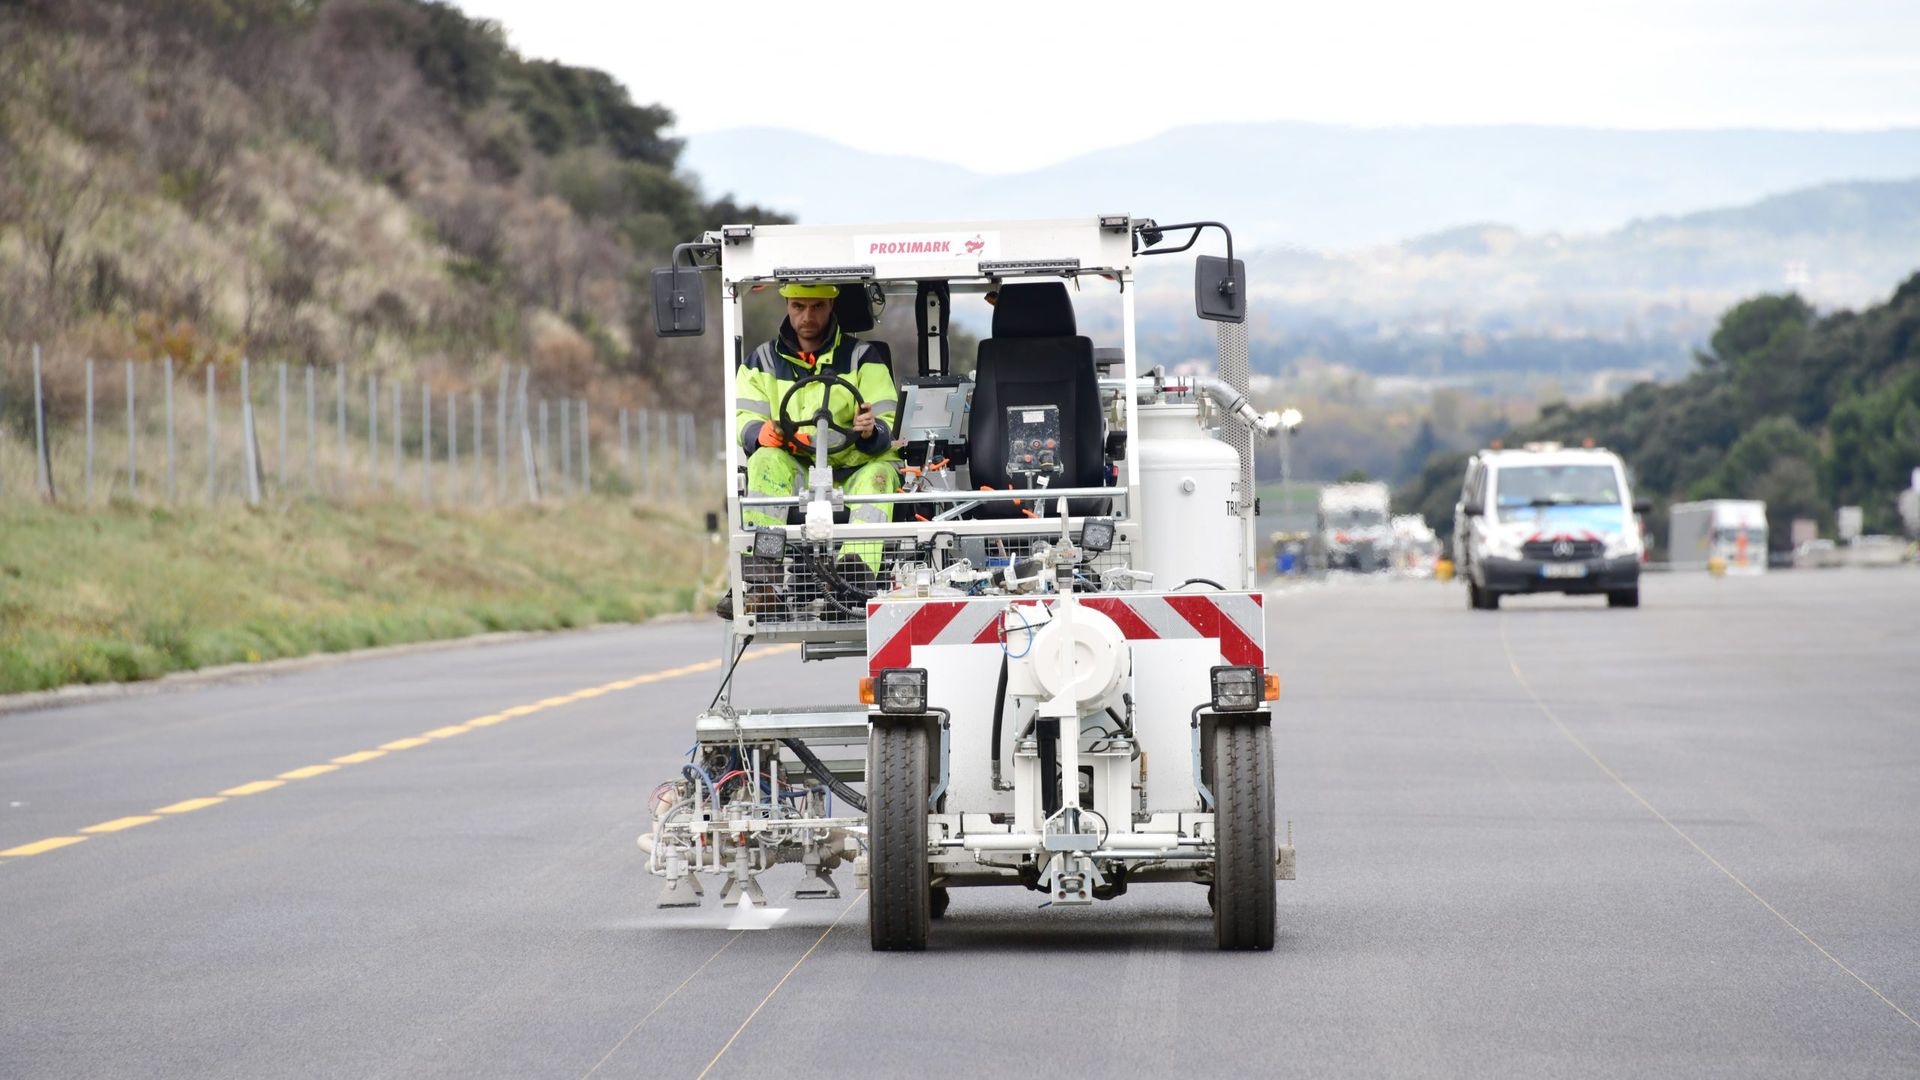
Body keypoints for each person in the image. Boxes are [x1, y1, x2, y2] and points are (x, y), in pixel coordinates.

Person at [727, 282, 900, 612]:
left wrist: (869, 430)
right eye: (799, 306)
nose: (807, 316)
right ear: (788, 305)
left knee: (880, 475)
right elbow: (743, 415)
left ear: (831, 306)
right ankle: (762, 586)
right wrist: (758, 432)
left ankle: (853, 584)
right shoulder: (759, 362)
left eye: (817, 306)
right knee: (764, 461)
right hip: (798, 470)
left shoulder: (864, 358)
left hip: (854, 469)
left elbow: (887, 418)